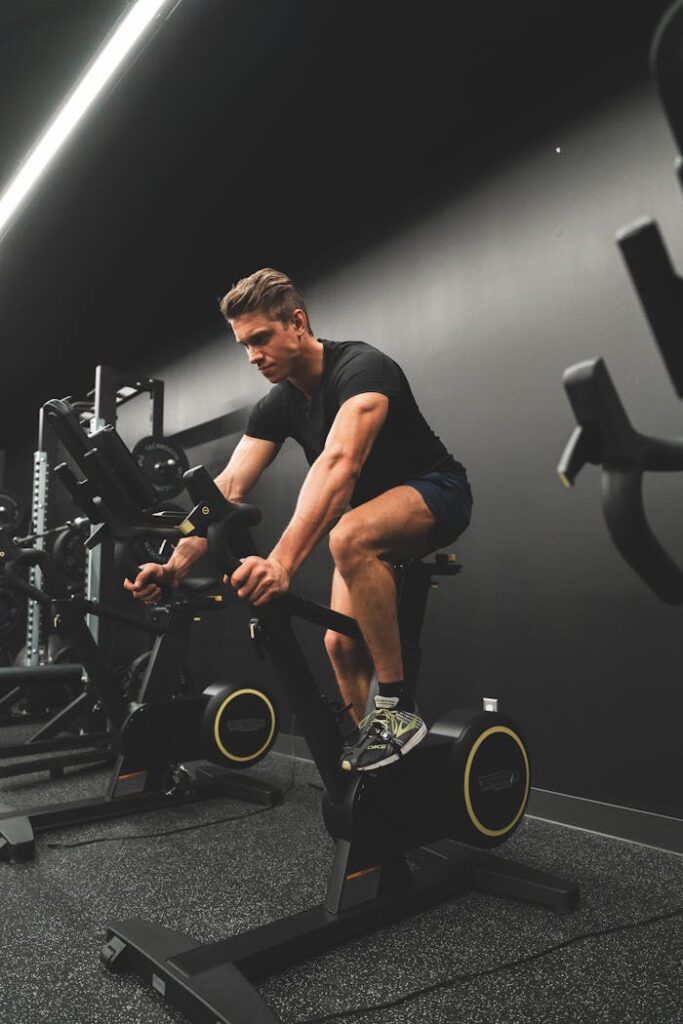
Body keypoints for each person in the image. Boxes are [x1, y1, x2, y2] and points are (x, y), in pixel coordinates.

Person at [125, 268, 473, 771]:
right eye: (244, 345)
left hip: (438, 493)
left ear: (297, 322)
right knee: (338, 642)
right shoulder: (278, 405)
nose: (253, 356)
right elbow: (224, 490)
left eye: (261, 338)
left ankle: (396, 712)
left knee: (349, 533)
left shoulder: (362, 369)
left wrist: (281, 563)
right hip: (371, 515)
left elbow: (340, 464)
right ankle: (376, 759)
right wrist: (173, 566)